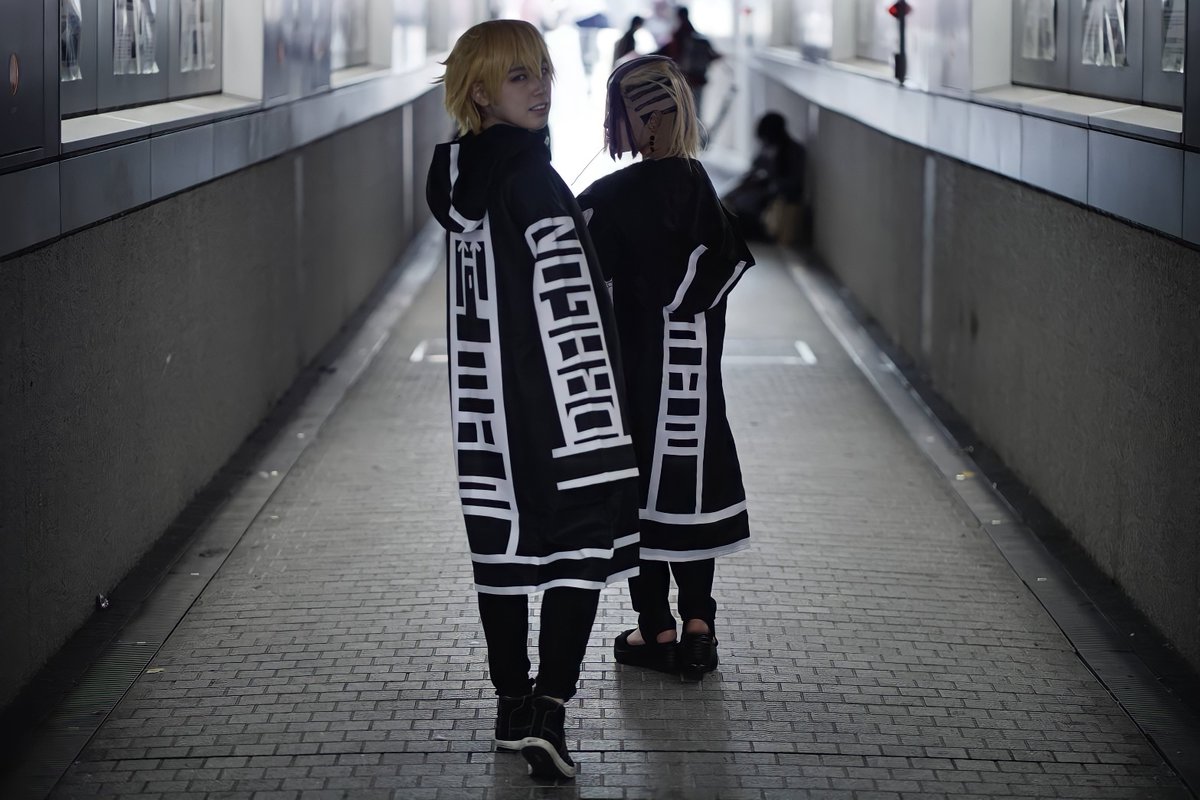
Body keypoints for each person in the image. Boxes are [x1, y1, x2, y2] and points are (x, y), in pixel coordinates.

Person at [425, 19, 641, 781]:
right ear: (480, 92)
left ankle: (511, 704)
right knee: (581, 543)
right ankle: (549, 707)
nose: (541, 87)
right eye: (519, 76)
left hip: (487, 415)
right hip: (558, 405)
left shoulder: (458, 175)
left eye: (543, 71)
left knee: (504, 552)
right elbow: (573, 304)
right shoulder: (534, 180)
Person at [578, 56, 753, 682]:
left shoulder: (609, 198)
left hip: (634, 381)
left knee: (643, 503)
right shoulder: (702, 188)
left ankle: (656, 628)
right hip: (696, 384)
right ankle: (700, 624)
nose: (611, 127)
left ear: (641, 118)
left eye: (617, 113)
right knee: (690, 494)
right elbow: (726, 261)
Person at [723, 111, 808, 243]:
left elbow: (791, 183)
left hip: (780, 195)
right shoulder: (769, 147)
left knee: (746, 203)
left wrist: (768, 185)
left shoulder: (793, 151)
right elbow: (755, 168)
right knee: (734, 198)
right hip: (767, 189)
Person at [654, 6, 720, 115]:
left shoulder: (678, 35)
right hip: (697, 80)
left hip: (682, 79)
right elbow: (711, 55)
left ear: (678, 17)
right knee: (696, 111)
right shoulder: (699, 37)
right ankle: (695, 126)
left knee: (682, 111)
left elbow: (665, 53)